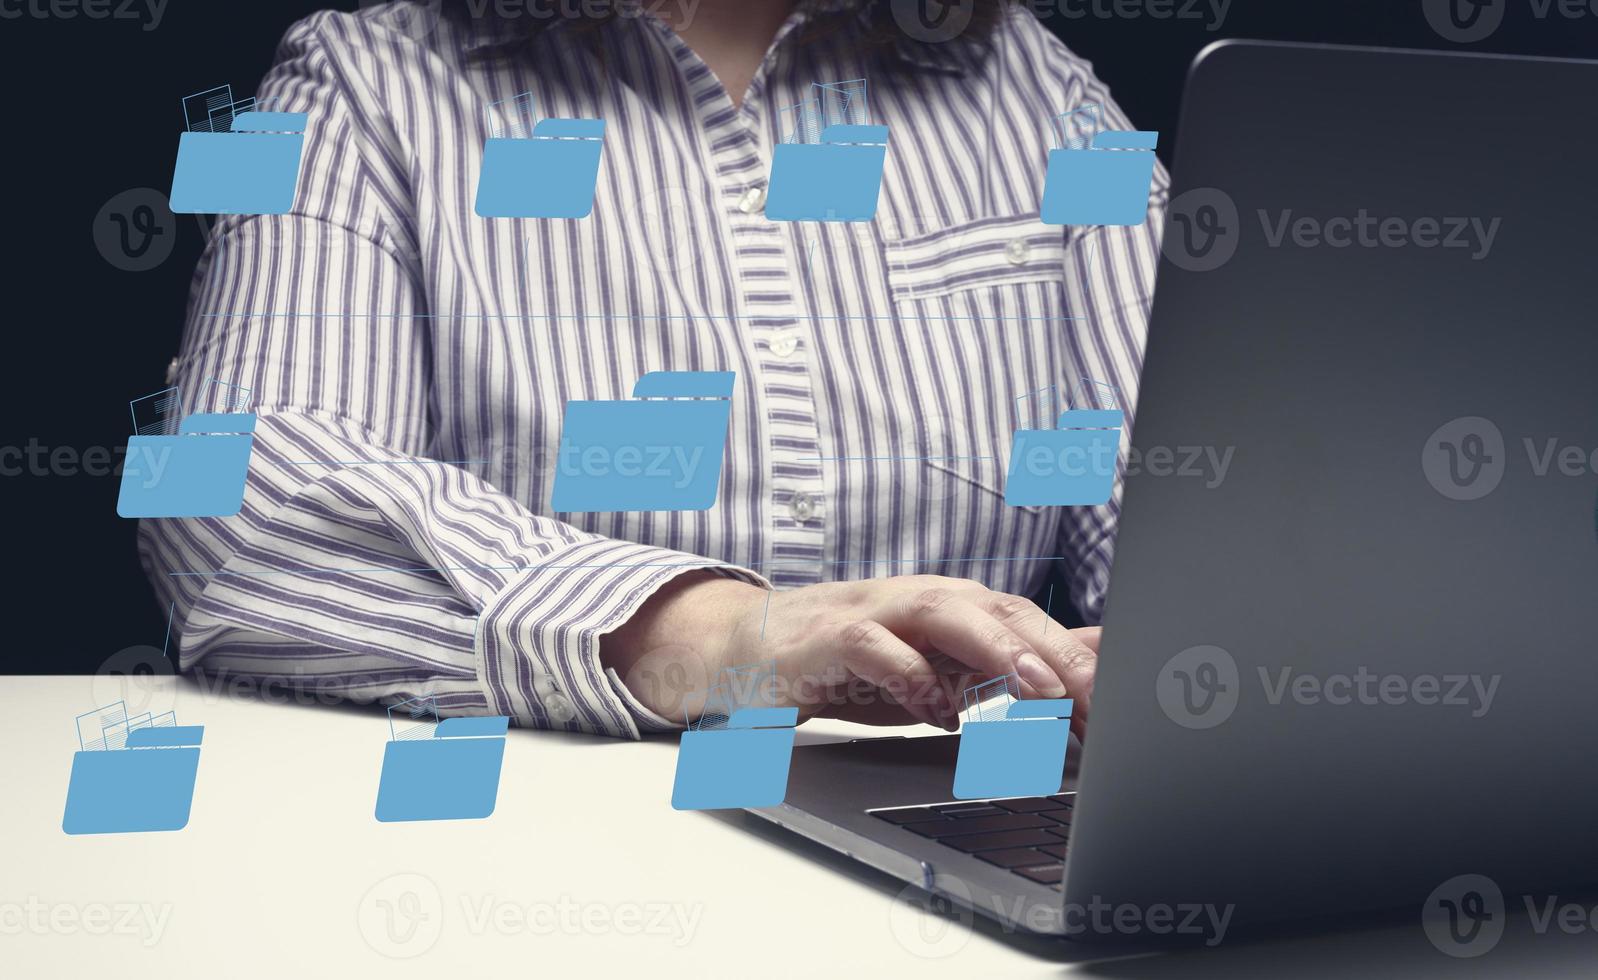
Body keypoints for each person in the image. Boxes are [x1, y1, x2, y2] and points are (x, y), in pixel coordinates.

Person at [139, 0, 1165, 739]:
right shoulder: (362, 78)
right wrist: (715, 635)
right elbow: (224, 499)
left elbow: (1212, 496)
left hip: (962, 824)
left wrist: (1186, 656)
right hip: (540, 838)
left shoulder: (1029, 76)